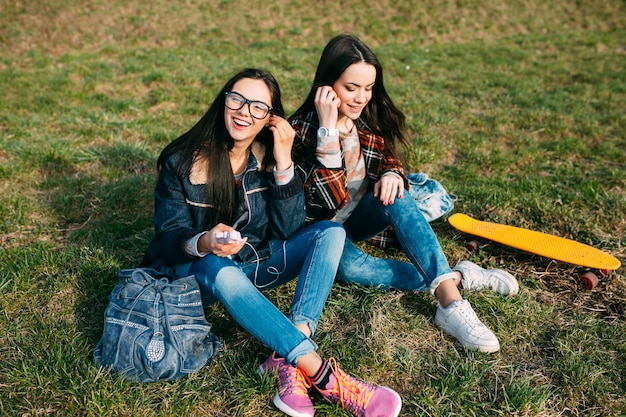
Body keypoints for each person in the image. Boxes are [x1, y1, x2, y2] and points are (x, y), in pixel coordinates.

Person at [140, 68, 402, 417]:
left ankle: (286, 355)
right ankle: (322, 375)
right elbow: (168, 238)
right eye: (237, 99)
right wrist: (205, 241)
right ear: (223, 101)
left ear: (269, 118)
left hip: (255, 265)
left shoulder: (266, 157)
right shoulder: (182, 161)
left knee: (330, 232)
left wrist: (283, 160)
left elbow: (288, 229)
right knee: (218, 267)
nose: (245, 111)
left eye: (258, 107)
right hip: (198, 276)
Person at [290, 34, 519, 354]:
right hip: (322, 233)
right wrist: (328, 130)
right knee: (352, 271)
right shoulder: (300, 131)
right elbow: (328, 201)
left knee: (395, 194)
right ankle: (459, 276)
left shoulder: (364, 120)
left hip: (359, 220)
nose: (360, 98)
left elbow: (386, 154)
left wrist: (391, 173)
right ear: (327, 86)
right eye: (350, 88)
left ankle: (450, 304)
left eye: (368, 88)